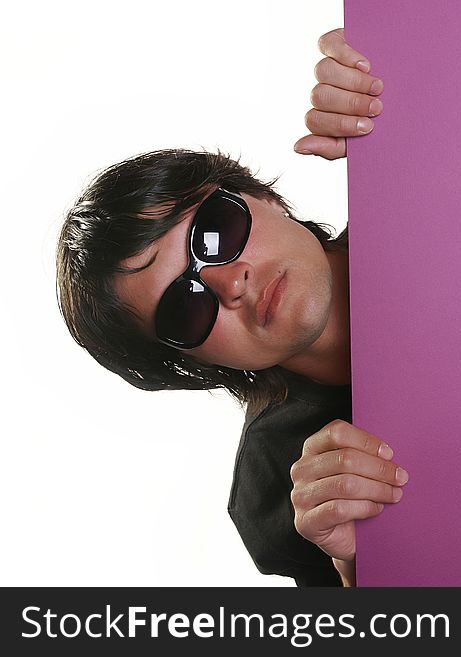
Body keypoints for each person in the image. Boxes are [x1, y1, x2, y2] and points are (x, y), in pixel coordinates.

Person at [55, 28, 404, 587]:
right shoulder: (278, 490)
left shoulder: (428, 193)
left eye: (214, 233)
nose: (227, 282)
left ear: (260, 197)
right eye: (183, 308)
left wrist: (407, 79)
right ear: (195, 361)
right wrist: (365, 567)